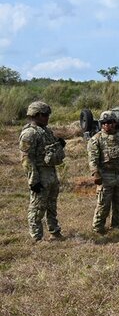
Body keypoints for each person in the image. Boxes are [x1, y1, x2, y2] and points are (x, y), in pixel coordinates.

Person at [18, 101, 66, 241]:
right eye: (45, 115)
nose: (47, 117)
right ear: (36, 115)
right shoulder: (29, 134)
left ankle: (54, 232)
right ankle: (37, 237)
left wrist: (59, 146)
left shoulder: (45, 130)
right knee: (37, 208)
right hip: (39, 174)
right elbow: (26, 159)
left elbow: (49, 150)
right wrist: (33, 180)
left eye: (47, 115)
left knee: (51, 206)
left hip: (50, 173)